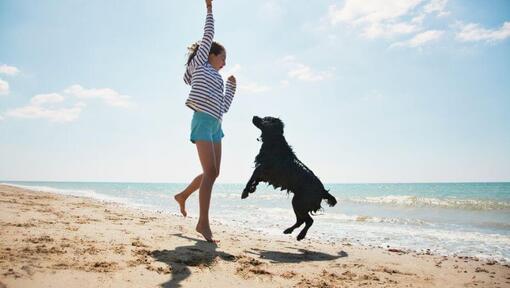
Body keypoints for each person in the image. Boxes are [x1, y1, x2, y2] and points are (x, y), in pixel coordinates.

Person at [174, 0, 237, 243]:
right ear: (210, 54)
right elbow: (208, 33)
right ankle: (203, 223)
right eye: (223, 57)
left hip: (216, 126)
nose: (225, 62)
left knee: (213, 172)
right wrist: (209, 9)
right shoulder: (200, 63)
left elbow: (224, 108)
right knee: (210, 172)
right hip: (201, 121)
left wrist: (231, 88)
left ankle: (183, 196)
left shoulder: (218, 79)